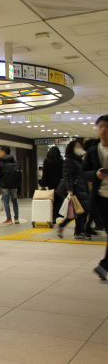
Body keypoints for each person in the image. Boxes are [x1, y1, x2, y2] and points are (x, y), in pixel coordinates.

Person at [82, 116, 108, 279]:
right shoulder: (93, 151)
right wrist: (95, 174)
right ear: (97, 129)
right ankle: (104, 265)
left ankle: (104, 265)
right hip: (101, 198)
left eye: (107, 126)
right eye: (101, 126)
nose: (104, 129)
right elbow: (83, 173)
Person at [57, 140, 91, 240]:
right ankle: (75, 231)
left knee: (81, 211)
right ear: (72, 148)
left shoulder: (79, 160)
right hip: (76, 190)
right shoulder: (69, 160)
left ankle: (79, 232)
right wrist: (70, 189)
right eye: (78, 146)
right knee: (79, 212)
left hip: (82, 189)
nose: (80, 148)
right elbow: (67, 176)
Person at [0, 146, 21, 224]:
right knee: (15, 201)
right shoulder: (15, 161)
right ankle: (16, 218)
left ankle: (9, 219)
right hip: (14, 185)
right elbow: (19, 174)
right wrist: (19, 186)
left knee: (6, 202)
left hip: (5, 185)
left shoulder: (0, 162)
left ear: (4, 152)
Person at [40, 146, 64, 226]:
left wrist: (43, 185)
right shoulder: (61, 161)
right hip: (60, 183)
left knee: (51, 200)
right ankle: (57, 214)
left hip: (50, 184)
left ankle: (52, 215)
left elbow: (45, 174)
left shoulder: (46, 161)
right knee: (59, 200)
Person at [83, 138, 101, 234]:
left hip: (92, 188)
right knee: (91, 209)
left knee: (92, 209)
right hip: (90, 188)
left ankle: (90, 225)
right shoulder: (89, 156)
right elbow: (84, 173)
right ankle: (88, 226)